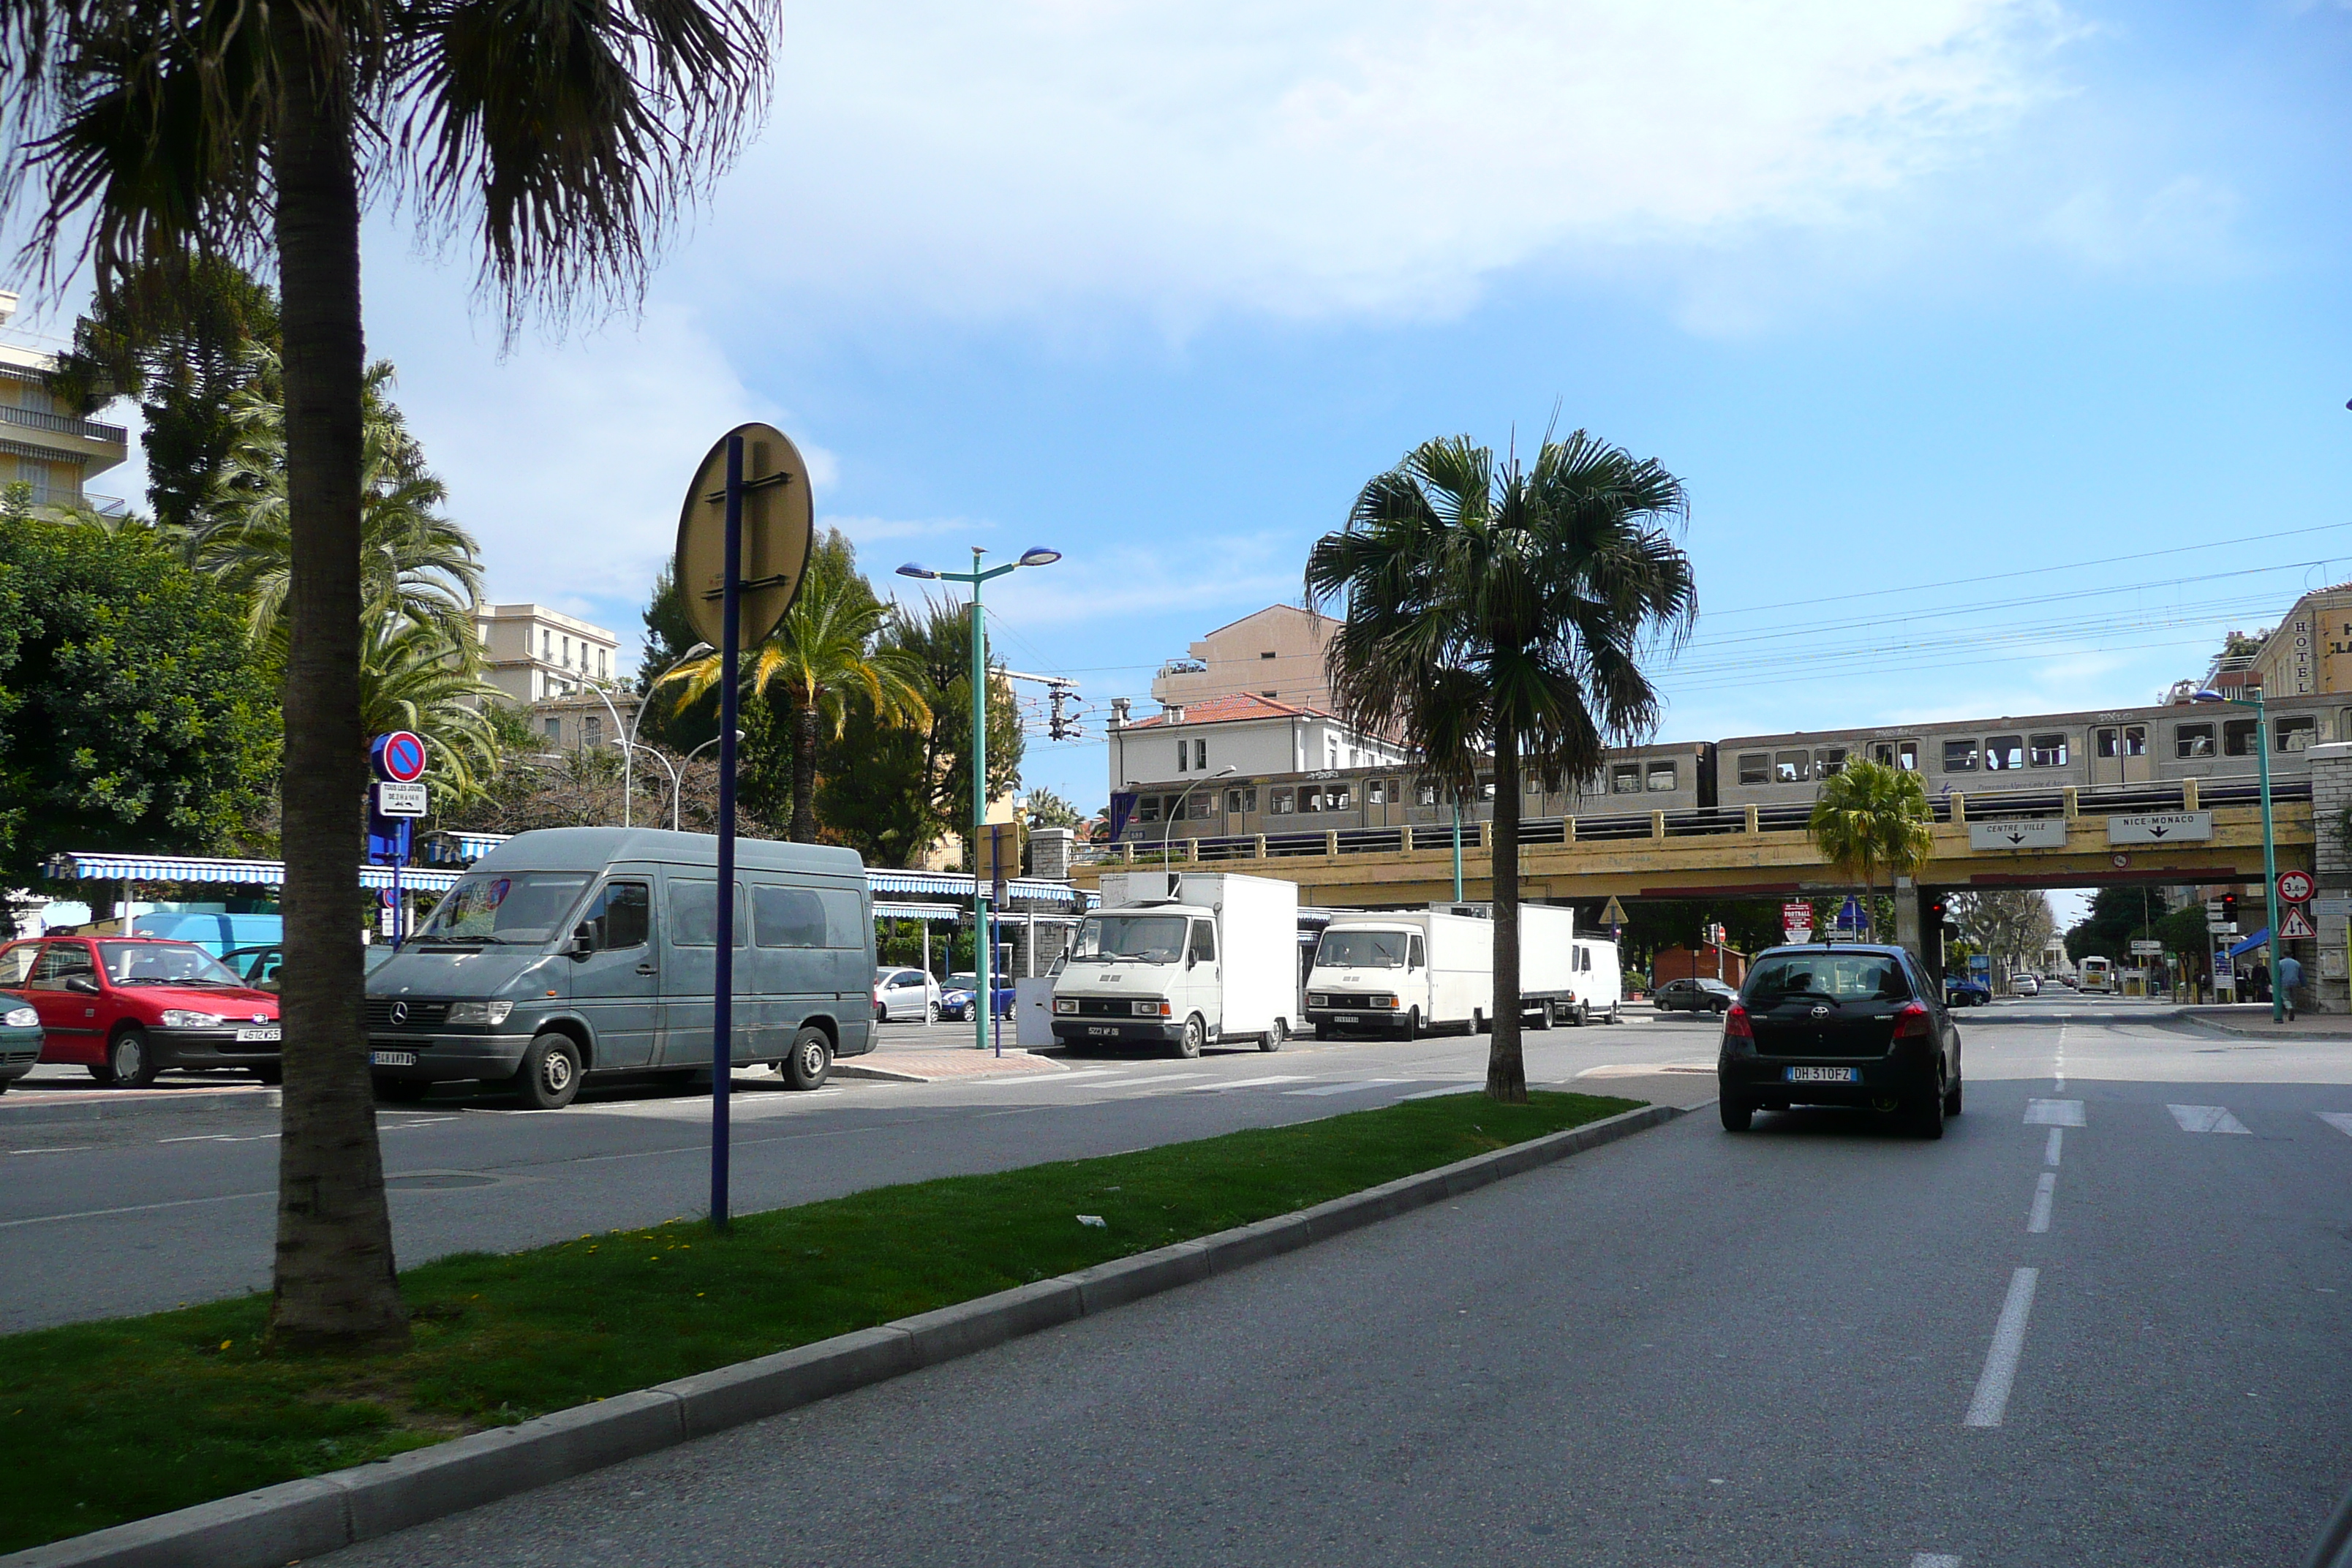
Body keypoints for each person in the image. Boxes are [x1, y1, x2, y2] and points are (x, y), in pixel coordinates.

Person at [2278, 951, 2304, 1022]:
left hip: (2284, 982)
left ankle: (2289, 1007)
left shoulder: (2280, 963)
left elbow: (2278, 975)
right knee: (2293, 998)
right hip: (2295, 982)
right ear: (2292, 955)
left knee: (2285, 997)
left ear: (2284, 955)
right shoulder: (2297, 963)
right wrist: (2303, 985)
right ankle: (2293, 1007)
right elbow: (2301, 975)